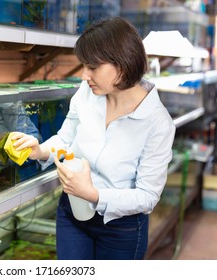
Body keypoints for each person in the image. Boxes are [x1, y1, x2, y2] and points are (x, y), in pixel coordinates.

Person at [11, 16, 176, 260]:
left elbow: (147, 196)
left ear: (122, 65)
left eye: (93, 67)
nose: (84, 75)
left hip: (121, 228)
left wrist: (94, 195)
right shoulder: (87, 94)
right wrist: (40, 150)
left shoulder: (158, 122)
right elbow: (66, 139)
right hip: (72, 213)